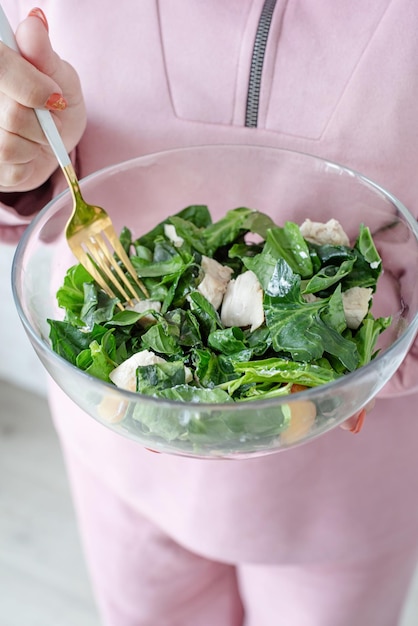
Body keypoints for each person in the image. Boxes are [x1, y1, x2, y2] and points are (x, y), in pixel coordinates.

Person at [1, 3, 418, 625]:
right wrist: (20, 164)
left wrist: (366, 352)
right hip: (118, 446)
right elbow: (30, 168)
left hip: (342, 494)